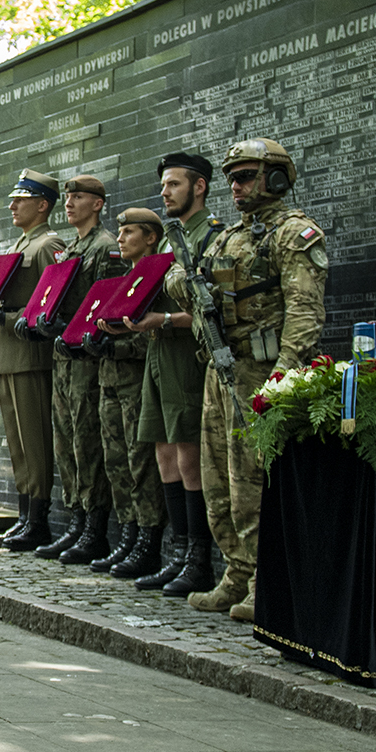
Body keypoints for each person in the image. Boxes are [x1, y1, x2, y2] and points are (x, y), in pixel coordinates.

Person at [188, 139, 326, 623]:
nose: (236, 186)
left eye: (246, 176)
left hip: (261, 373)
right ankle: (237, 573)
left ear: (277, 178)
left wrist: (282, 376)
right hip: (222, 367)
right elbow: (190, 281)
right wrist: (186, 284)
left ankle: (264, 582)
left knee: (252, 482)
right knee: (218, 481)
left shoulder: (294, 234)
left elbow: (305, 311)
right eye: (232, 178)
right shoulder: (228, 238)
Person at [121, 152, 220, 590]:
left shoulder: (212, 237)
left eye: (174, 184)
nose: (165, 192)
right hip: (159, 354)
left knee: (188, 456)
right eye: (163, 185)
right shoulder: (166, 242)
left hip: (187, 356)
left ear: (199, 187)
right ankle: (178, 553)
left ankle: (198, 560)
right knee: (164, 453)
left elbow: (212, 310)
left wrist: (163, 320)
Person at [0, 170, 64, 552]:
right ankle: (24, 515)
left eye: (22, 200)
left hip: (31, 352)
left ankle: (37, 520)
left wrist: (8, 317)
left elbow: (51, 302)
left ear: (43, 205)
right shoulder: (20, 243)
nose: (12, 205)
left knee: (34, 440)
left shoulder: (49, 245)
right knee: (17, 442)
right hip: (8, 350)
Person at [37, 175, 115, 562]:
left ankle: (93, 530)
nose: (69, 203)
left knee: (87, 443)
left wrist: (73, 328)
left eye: (78, 197)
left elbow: (105, 305)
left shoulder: (105, 247)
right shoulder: (71, 248)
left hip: (87, 360)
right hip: (65, 357)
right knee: (66, 441)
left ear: (97, 204)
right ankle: (75, 522)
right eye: (67, 197)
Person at [88, 206, 163, 572]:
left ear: (150, 237)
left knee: (140, 462)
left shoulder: (157, 278)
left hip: (137, 382)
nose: (120, 239)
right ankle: (128, 534)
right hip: (110, 379)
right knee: (116, 461)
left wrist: (115, 347)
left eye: (129, 232)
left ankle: (148, 540)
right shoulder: (122, 279)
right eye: (119, 232)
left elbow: (151, 335)